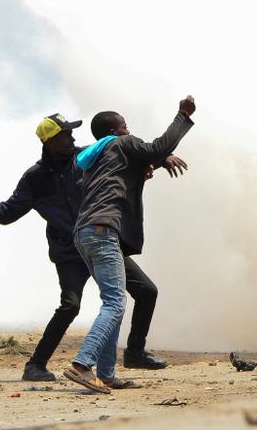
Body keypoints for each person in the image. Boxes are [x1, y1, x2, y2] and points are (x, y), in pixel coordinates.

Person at [0, 113, 183, 383]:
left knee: (145, 291)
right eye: (65, 134)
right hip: (71, 250)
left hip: (101, 239)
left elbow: (128, 159)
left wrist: (160, 160)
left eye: (71, 133)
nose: (72, 137)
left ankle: (135, 352)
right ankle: (36, 365)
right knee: (72, 305)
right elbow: (5, 213)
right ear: (50, 142)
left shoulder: (86, 158)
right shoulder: (35, 178)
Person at [64, 96, 196, 394]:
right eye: (125, 124)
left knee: (129, 296)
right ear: (116, 130)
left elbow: (133, 172)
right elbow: (157, 148)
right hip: (103, 230)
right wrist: (182, 115)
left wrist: (153, 165)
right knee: (114, 302)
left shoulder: (95, 159)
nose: (129, 128)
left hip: (86, 234)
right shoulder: (122, 143)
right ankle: (81, 365)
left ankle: (108, 374)